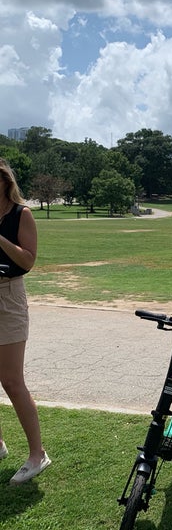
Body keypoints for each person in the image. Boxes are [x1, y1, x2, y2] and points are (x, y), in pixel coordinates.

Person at [0, 159, 51, 485]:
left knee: (11, 382)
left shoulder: (22, 214)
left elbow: (28, 260)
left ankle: (37, 455)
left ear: (4, 181)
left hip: (8, 297)